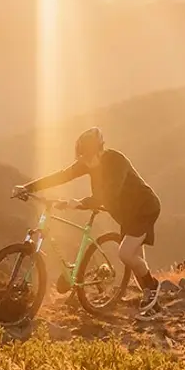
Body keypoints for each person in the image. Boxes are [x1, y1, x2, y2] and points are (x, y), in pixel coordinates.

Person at [14, 127, 166, 313]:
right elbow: (62, 175)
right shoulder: (88, 162)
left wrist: (78, 203)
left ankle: (153, 286)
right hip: (126, 214)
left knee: (125, 254)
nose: (85, 161)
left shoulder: (115, 161)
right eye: (82, 157)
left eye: (88, 157)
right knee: (134, 259)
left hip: (144, 208)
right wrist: (28, 188)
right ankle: (153, 304)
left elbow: (109, 195)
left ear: (99, 150)